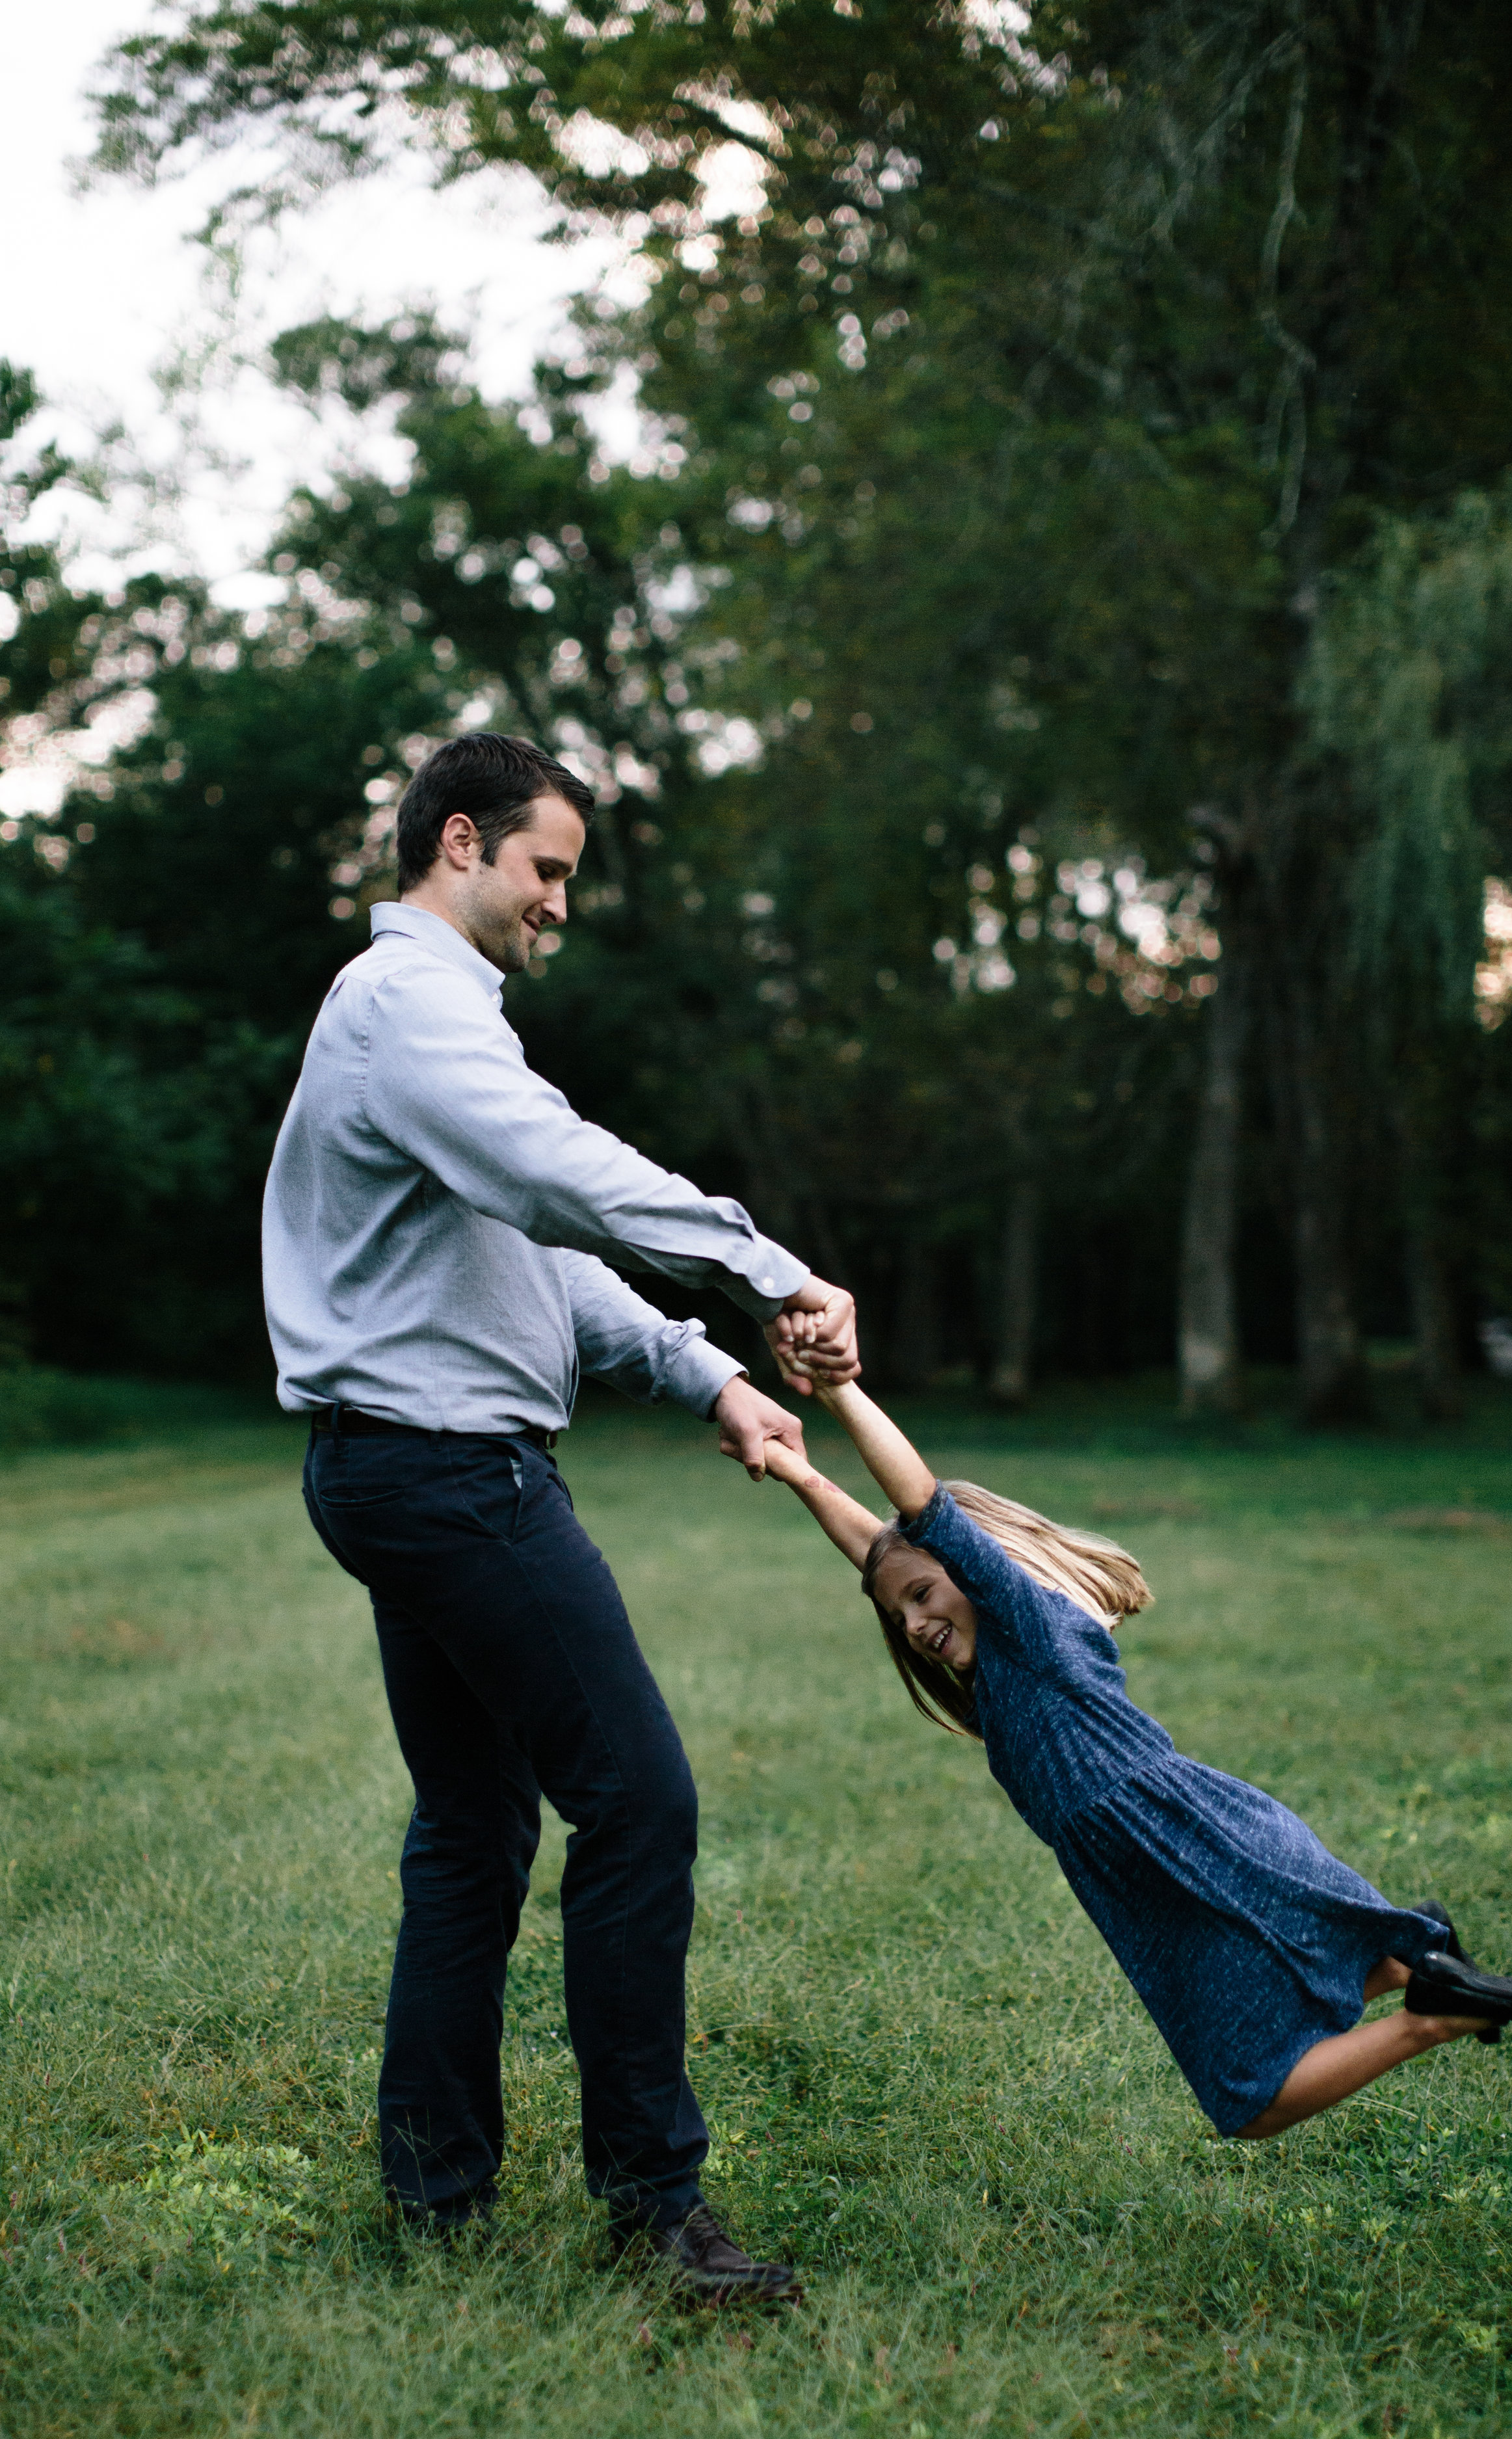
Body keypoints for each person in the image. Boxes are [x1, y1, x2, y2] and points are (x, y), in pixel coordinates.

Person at [263, 729, 855, 2300]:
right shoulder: (406, 1006)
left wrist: (706, 1373)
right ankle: (656, 2209)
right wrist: (767, 1263)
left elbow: (537, 1253)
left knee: (473, 1828)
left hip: (404, 1466)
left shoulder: (440, 1022)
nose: (561, 904)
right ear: (461, 840)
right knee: (638, 1801)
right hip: (450, 1475)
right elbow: (553, 1174)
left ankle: (438, 2191)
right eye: (548, 868)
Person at [761, 1378, 1512, 2140]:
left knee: (1249, 2095)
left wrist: (837, 1388)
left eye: (925, 1596)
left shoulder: (1030, 1630)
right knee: (1267, 2037)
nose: (912, 1625)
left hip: (1181, 1841)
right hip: (1156, 1856)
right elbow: (879, 1549)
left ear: (983, 1567)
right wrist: (799, 1476)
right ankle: (1418, 1963)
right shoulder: (995, 1669)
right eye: (898, 1613)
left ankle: (1434, 2005)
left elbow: (920, 1506)